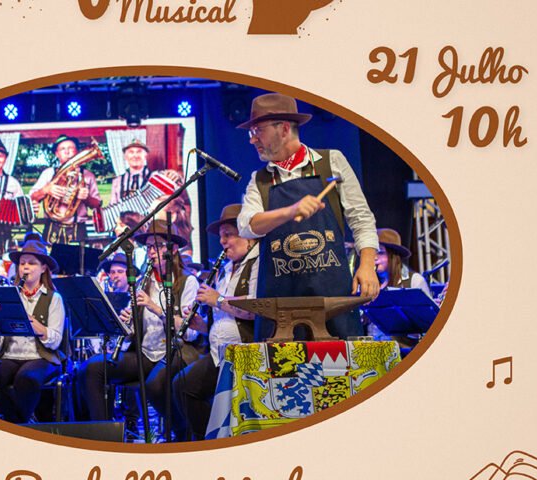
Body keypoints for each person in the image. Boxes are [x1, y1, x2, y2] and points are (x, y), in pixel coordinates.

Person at [236, 93, 380, 340]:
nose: (252, 139)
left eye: (258, 131)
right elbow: (247, 226)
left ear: (283, 129)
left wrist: (367, 265)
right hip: (280, 299)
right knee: (282, 364)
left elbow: (361, 218)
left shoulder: (331, 162)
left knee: (336, 361)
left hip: (331, 293)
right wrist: (290, 211)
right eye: (252, 132)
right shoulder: (259, 180)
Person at [76, 220, 202, 441]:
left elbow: (191, 333)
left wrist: (156, 308)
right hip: (146, 353)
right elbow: (136, 330)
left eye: (158, 246)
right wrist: (127, 324)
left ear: (173, 249)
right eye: (149, 247)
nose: (152, 252)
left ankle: (182, 431)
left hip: (177, 351)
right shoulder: (145, 281)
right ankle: (105, 438)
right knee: (91, 368)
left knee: (154, 385)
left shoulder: (187, 281)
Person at [173, 204, 259, 440]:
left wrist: (217, 299)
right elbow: (223, 318)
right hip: (218, 353)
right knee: (181, 386)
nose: (222, 242)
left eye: (228, 235)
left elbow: (256, 307)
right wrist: (201, 326)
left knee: (185, 387)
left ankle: (211, 441)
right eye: (221, 236)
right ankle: (208, 439)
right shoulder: (226, 269)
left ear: (247, 236)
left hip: (245, 353)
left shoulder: (258, 263)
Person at [0, 241, 65, 423]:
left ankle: (16, 423)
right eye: (22, 263)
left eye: (32, 263)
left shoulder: (54, 298)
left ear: (43, 268)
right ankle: (17, 422)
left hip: (40, 356)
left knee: (26, 379)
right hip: (10, 355)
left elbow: (55, 340)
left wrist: (32, 322)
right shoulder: (9, 296)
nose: (25, 267)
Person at [29, 134, 102, 244]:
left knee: (78, 256)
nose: (67, 152)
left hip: (78, 228)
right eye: (62, 149)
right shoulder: (48, 173)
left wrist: (86, 198)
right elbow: (32, 198)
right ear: (57, 154)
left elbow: (97, 205)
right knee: (50, 255)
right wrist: (46, 190)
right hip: (52, 227)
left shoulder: (88, 175)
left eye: (71, 148)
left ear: (77, 152)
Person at [374, 228, 431, 296]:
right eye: (371, 253)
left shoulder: (415, 281)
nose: (374, 257)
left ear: (393, 256)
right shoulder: (366, 282)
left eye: (380, 253)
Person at [110, 139, 151, 205]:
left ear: (145, 156)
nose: (135, 156)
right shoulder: (117, 181)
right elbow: (113, 205)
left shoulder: (154, 177)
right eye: (131, 152)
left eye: (139, 152)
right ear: (125, 157)